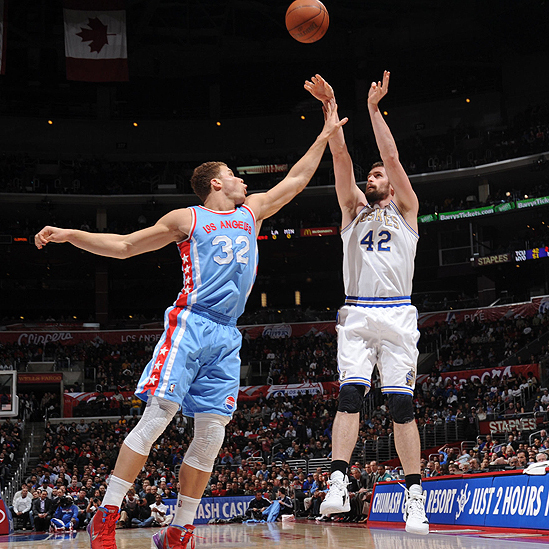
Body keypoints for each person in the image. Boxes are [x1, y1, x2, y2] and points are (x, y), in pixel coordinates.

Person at [35, 101, 346, 549]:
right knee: (157, 418)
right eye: (235, 174)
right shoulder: (188, 218)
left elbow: (296, 180)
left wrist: (325, 133)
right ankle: (106, 514)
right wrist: (69, 235)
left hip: (228, 333)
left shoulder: (251, 212)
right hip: (191, 324)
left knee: (212, 435)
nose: (244, 181)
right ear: (216, 182)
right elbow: (124, 246)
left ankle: (180, 528)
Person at [305, 71, 428, 535]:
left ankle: (414, 496)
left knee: (401, 406)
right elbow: (339, 155)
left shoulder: (407, 210)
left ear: (392, 186)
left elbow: (391, 157)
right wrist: (331, 107)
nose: (370, 179)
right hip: (357, 313)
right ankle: (338, 482)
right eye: (369, 175)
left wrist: (375, 110)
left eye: (376, 176)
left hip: (398, 313)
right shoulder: (352, 211)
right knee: (349, 396)